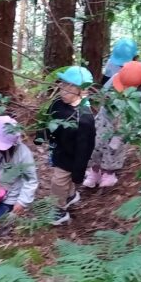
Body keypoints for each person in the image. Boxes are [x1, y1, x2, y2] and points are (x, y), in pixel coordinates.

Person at [36, 66, 96, 226]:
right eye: (63, 84)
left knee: (58, 182)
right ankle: (69, 195)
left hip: (70, 158)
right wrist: (41, 136)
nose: (63, 90)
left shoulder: (84, 119)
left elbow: (85, 148)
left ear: (82, 91)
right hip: (59, 150)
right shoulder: (58, 103)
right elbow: (48, 119)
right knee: (64, 181)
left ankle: (59, 210)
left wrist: (78, 172)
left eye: (70, 87)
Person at [84, 61, 141, 189]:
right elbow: (103, 94)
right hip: (104, 119)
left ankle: (108, 174)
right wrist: (106, 99)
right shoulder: (115, 79)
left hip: (122, 126)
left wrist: (133, 129)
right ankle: (94, 172)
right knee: (96, 145)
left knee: (114, 149)